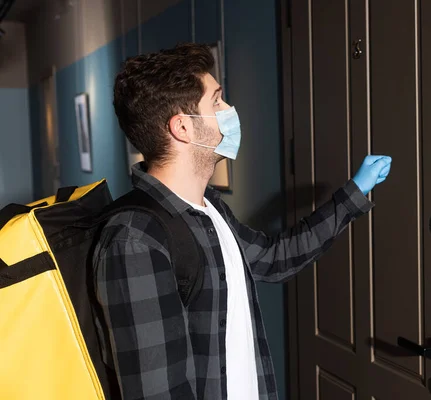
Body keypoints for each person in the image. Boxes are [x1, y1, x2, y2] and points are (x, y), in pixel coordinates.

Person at [93, 43, 392, 400]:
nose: (229, 110)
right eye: (216, 101)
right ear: (183, 127)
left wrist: (354, 193)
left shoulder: (207, 207)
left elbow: (274, 259)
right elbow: (158, 391)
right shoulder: (135, 239)